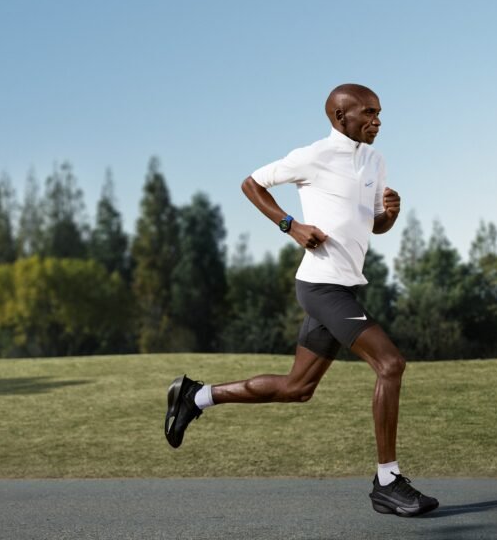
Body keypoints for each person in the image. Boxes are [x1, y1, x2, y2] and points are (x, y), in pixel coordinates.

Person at [164, 83, 438, 517]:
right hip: (321, 286)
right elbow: (252, 183)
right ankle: (387, 481)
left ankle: (196, 397)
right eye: (368, 113)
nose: (377, 121)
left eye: (379, 113)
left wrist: (390, 214)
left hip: (345, 285)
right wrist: (290, 226)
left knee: (298, 388)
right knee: (390, 364)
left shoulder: (375, 160)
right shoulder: (313, 156)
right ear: (340, 117)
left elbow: (374, 225)